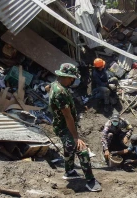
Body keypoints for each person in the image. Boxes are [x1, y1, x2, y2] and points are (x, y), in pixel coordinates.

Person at [49, 63, 102, 192]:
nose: (73, 80)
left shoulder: (54, 84)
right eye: (72, 78)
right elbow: (68, 116)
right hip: (64, 126)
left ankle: (69, 171)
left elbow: (47, 88)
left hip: (59, 123)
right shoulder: (60, 92)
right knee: (82, 149)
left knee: (69, 147)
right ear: (66, 76)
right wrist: (76, 137)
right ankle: (90, 181)